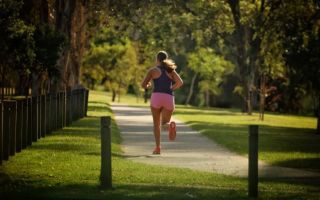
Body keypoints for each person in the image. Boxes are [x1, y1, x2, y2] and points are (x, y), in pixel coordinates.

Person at [141, 51, 183, 154]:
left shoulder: (152, 71)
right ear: (166, 59)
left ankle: (158, 148)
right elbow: (180, 82)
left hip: (156, 97)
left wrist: (148, 85)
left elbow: (143, 84)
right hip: (168, 98)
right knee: (164, 124)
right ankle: (170, 126)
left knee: (156, 125)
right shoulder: (170, 70)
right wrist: (171, 89)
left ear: (157, 59)